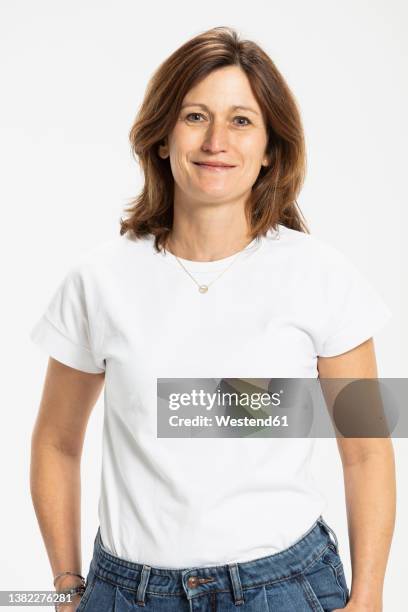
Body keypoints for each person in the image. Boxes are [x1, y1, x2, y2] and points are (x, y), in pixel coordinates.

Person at [30, 26, 396, 612]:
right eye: (195, 116)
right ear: (161, 138)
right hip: (126, 593)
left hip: (284, 590)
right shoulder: (98, 281)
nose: (216, 140)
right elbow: (55, 442)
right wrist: (68, 585)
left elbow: (367, 448)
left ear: (271, 146)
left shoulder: (324, 276)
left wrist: (370, 596)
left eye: (242, 120)